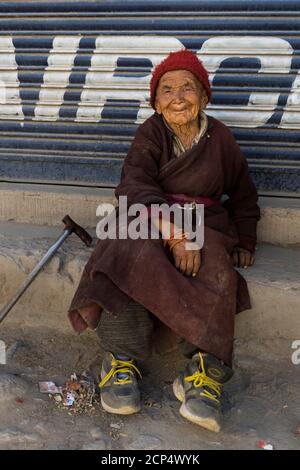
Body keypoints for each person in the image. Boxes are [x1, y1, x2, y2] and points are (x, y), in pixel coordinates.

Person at [68, 49, 260, 433]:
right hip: (150, 214)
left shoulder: (220, 137)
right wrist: (173, 233)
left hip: (205, 220)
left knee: (214, 265)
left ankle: (204, 370)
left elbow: (243, 193)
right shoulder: (150, 132)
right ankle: (121, 361)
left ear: (204, 96)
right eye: (167, 90)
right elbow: (134, 184)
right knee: (125, 248)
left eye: (187, 88)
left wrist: (246, 239)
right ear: (155, 101)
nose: (177, 97)